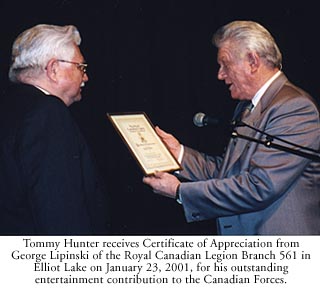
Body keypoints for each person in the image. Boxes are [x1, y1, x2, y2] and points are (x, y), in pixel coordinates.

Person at [143, 20, 320, 235]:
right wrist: (178, 154)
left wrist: (180, 191)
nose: (220, 75)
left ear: (253, 62)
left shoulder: (294, 108)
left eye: (225, 65)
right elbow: (227, 173)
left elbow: (259, 186)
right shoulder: (247, 108)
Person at [0, 24, 110, 235]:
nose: (85, 77)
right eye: (81, 67)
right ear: (53, 69)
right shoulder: (48, 112)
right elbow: (61, 213)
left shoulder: (10, 107)